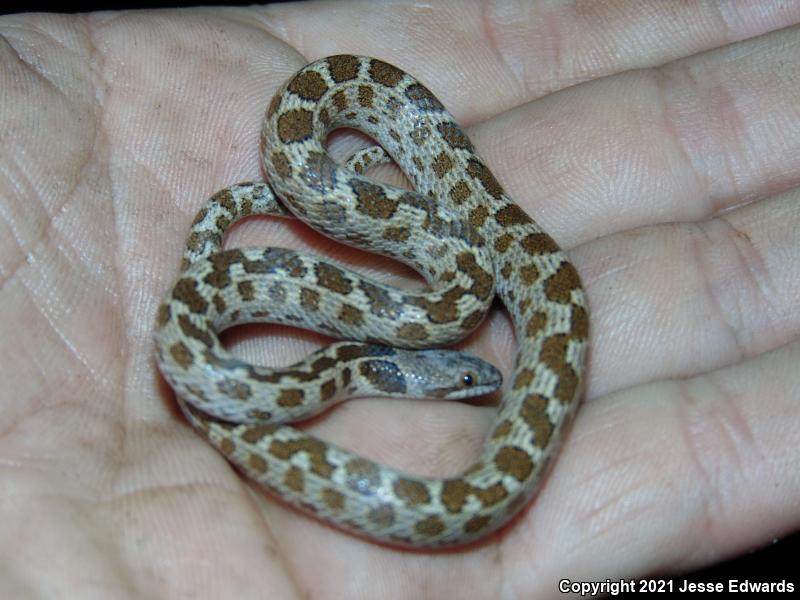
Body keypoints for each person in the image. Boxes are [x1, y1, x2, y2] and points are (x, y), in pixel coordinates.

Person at [1, 2, 798, 596]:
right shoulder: (383, 318)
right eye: (462, 379)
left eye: (461, 379)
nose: (482, 382)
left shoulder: (464, 291)